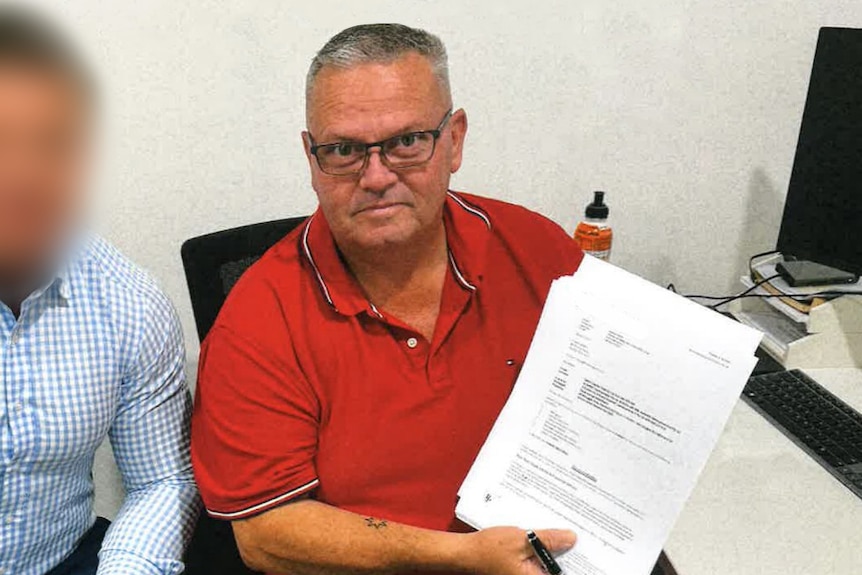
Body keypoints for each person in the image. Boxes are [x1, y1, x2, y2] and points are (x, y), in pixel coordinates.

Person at [192, 23, 584, 575]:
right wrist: (462, 559)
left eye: (406, 142)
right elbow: (266, 535)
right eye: (344, 150)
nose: (375, 177)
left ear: (454, 141)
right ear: (311, 158)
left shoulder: (537, 251)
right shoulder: (257, 320)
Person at [0, 7, 199, 575]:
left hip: (62, 559)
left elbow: (164, 480)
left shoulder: (128, 301)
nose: (24, 174)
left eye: (51, 143)